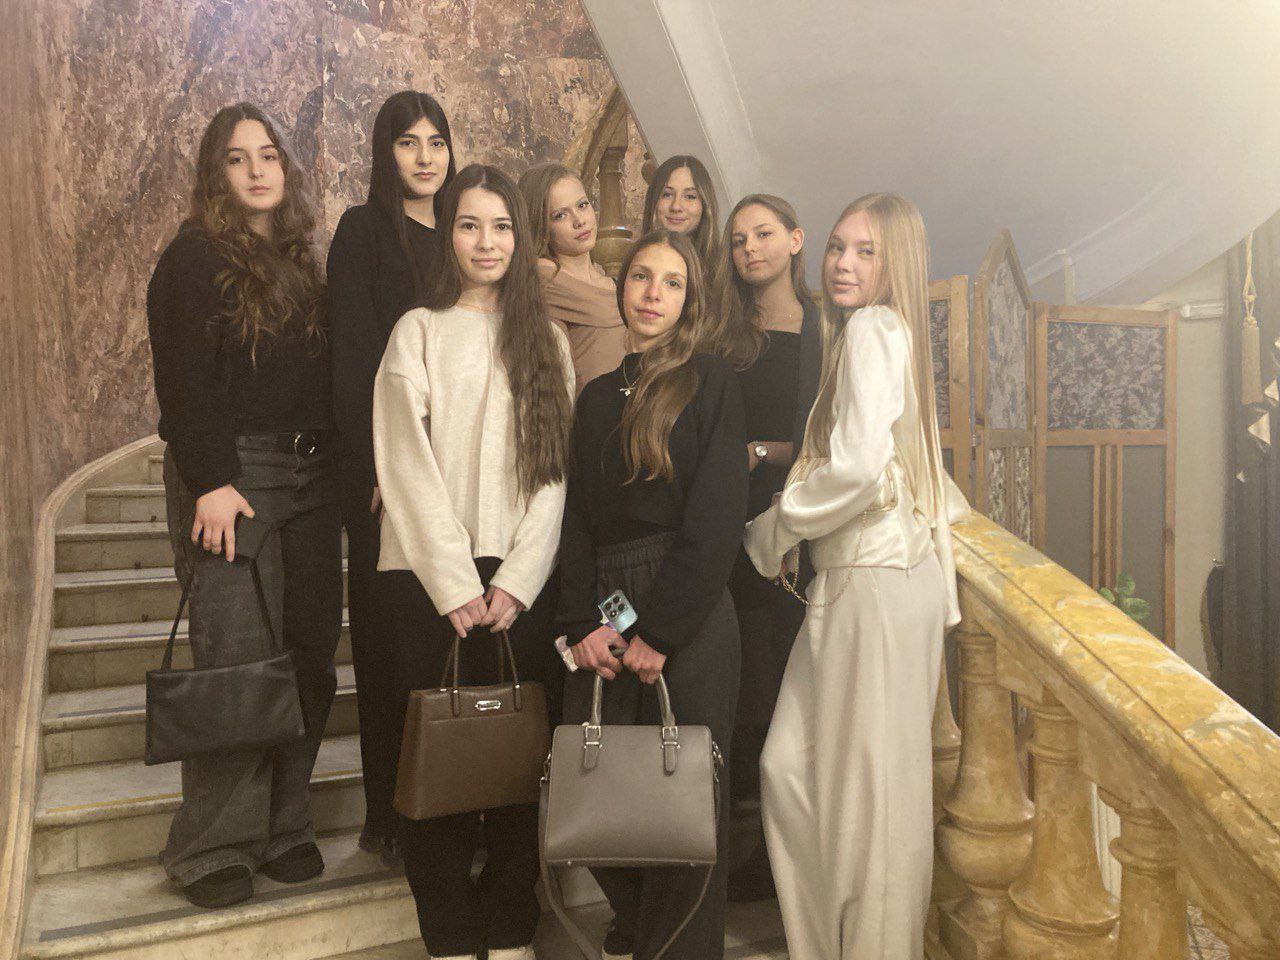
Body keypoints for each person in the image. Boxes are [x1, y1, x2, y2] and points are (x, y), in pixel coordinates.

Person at [744, 193, 963, 960]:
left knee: (873, 805)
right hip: (869, 581)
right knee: (798, 771)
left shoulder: (874, 328)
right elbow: (903, 463)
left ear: (895, 263)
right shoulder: (882, 332)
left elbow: (860, 467)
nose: (843, 263)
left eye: (865, 252)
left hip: (874, 584)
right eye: (838, 247)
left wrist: (774, 529)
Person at [373, 163, 574, 960]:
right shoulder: (416, 331)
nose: (485, 242)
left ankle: (511, 929)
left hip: (519, 583)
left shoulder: (546, 340)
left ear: (521, 238)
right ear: (447, 234)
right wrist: (455, 581)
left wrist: (518, 581)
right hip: (426, 581)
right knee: (437, 766)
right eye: (468, 225)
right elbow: (404, 462)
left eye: (501, 226)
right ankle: (453, 936)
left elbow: (554, 475)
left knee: (521, 765)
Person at [146, 102, 341, 908]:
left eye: (269, 155)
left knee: (308, 659)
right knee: (236, 664)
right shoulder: (192, 258)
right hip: (236, 477)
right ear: (214, 173)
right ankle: (212, 845)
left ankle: (284, 824)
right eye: (238, 157)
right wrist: (210, 480)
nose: (258, 170)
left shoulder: (300, 261)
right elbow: (184, 380)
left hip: (313, 479)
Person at [558, 229, 748, 960]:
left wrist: (661, 631)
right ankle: (642, 930)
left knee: (688, 795)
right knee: (593, 777)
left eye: (672, 282)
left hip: (685, 599)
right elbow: (577, 518)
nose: (652, 293)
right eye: (641, 276)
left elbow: (716, 517)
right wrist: (583, 621)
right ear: (621, 287)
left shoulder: (710, 381)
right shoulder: (595, 397)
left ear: (689, 301)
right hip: (609, 598)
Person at [327, 90, 456, 865]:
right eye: (408, 142)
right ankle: (391, 818)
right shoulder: (363, 230)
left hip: (462, 474)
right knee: (389, 650)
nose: (425, 156)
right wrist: (377, 464)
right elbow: (352, 358)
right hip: (386, 473)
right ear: (386, 152)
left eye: (436, 141)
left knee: (448, 647)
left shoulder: (467, 231)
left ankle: (455, 804)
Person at [719, 193, 822, 902]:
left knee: (788, 686)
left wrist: (763, 452)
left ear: (795, 239)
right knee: (740, 684)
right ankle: (735, 851)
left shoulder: (825, 329)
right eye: (738, 240)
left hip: (802, 521)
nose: (750, 248)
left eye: (763, 234)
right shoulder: (724, 331)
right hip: (727, 521)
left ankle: (782, 859)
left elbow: (830, 436)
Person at [519, 161, 626, 395]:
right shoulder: (542, 283)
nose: (579, 220)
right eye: (560, 215)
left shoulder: (614, 284)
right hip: (585, 413)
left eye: (582, 205)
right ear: (540, 226)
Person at [641, 156, 743, 367]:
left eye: (690, 196)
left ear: (704, 205)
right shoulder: (636, 265)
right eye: (667, 194)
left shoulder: (725, 271)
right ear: (653, 202)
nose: (676, 206)